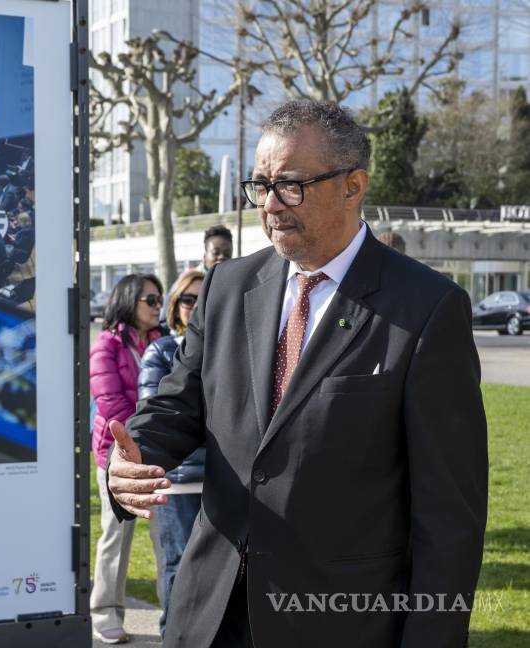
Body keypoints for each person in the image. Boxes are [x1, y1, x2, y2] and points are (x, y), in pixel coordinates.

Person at [105, 100, 487, 647]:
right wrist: (135, 455)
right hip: (209, 614)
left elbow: (449, 517)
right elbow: (177, 405)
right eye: (259, 185)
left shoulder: (427, 308)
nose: (269, 204)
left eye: (290, 184)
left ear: (353, 186)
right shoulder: (226, 287)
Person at [90, 274, 165, 645]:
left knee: (165, 536)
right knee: (116, 536)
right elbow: (112, 405)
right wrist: (150, 431)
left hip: (158, 454)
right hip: (115, 455)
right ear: (128, 300)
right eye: (150, 300)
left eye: (159, 300)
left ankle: (175, 613)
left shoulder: (162, 341)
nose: (158, 306)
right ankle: (105, 613)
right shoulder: (106, 345)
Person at [136, 270, 206, 639]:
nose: (194, 306)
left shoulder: (232, 348)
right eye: (187, 299)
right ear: (175, 305)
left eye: (201, 298)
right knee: (179, 570)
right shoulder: (161, 351)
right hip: (178, 483)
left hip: (221, 483)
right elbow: (157, 413)